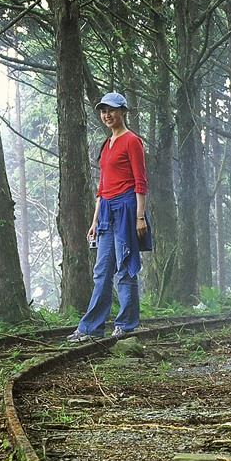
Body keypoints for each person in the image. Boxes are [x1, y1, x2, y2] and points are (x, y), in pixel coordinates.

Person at [69, 91, 149, 340]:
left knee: (125, 269)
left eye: (112, 110)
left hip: (127, 208)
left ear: (123, 112)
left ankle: (126, 326)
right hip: (106, 212)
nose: (107, 115)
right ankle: (91, 328)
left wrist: (140, 216)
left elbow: (140, 182)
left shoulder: (132, 141)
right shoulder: (107, 144)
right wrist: (94, 221)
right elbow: (102, 187)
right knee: (102, 270)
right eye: (103, 111)